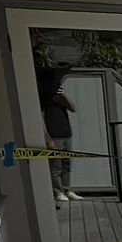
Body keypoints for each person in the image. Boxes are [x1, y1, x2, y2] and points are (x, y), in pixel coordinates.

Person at [38, 71, 76, 199]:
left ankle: (67, 190)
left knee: (66, 165)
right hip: (54, 136)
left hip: (66, 134)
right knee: (56, 166)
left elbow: (73, 108)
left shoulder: (60, 99)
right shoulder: (43, 100)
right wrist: (48, 139)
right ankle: (58, 192)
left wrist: (62, 96)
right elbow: (41, 120)